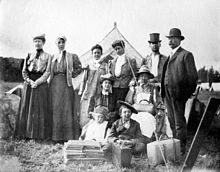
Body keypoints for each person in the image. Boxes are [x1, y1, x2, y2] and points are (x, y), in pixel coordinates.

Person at [161, 28, 198, 155]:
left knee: (179, 123)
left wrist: (185, 95)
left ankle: (181, 149)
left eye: (174, 38)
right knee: (171, 121)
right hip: (167, 94)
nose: (171, 41)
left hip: (178, 95)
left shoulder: (186, 55)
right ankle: (175, 147)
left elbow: (193, 78)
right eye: (169, 39)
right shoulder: (170, 55)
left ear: (179, 40)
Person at [14, 34, 52, 140]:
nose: (37, 43)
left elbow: (48, 71)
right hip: (29, 83)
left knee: (39, 108)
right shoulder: (29, 54)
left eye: (39, 41)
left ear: (43, 43)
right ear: (33, 43)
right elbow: (24, 71)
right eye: (35, 41)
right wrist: (29, 81)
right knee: (26, 107)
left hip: (41, 84)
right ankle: (25, 134)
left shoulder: (48, 56)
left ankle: (38, 135)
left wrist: (38, 82)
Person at [49, 35, 82, 142]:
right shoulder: (52, 57)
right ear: (56, 44)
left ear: (65, 43)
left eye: (62, 42)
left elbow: (79, 68)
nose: (61, 45)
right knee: (56, 108)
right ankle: (55, 137)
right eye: (59, 43)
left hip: (66, 84)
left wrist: (71, 74)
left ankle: (67, 136)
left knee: (66, 108)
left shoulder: (71, 56)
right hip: (54, 84)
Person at [78, 44, 109, 127]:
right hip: (89, 90)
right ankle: (84, 128)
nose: (96, 54)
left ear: (101, 54)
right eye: (95, 53)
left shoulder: (105, 66)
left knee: (97, 108)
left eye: (98, 53)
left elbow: (107, 79)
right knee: (86, 108)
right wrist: (81, 90)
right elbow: (84, 79)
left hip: (99, 91)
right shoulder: (88, 65)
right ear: (92, 54)